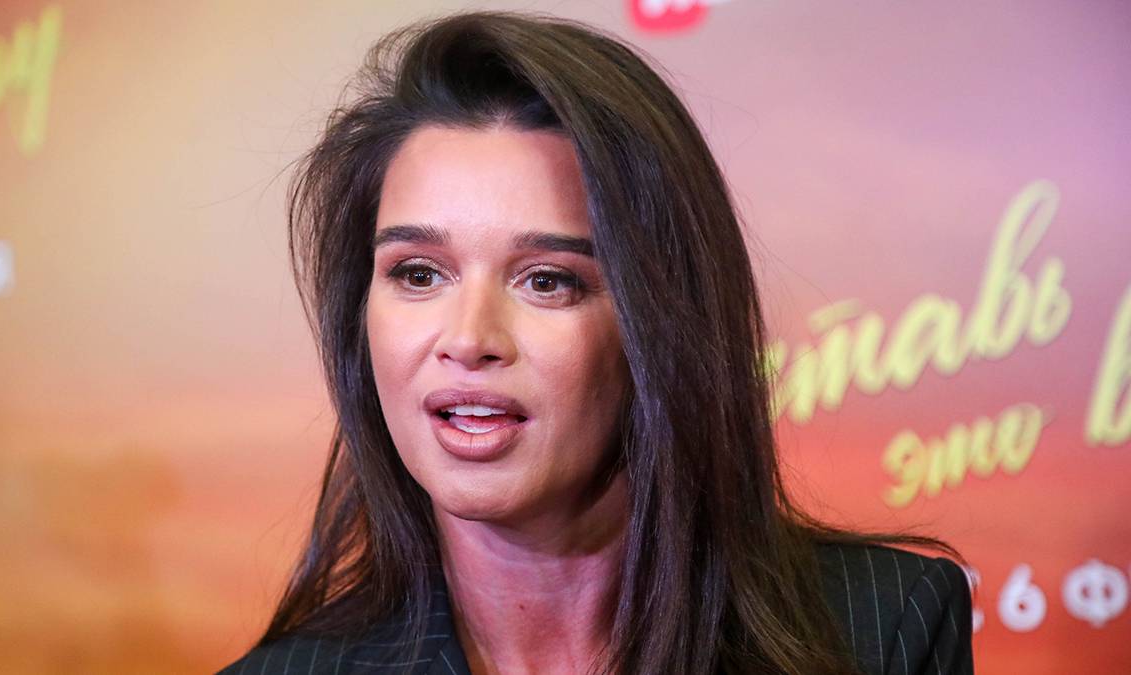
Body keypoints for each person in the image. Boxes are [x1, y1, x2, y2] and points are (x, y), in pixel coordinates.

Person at [220, 10, 973, 675]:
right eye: (419, 273)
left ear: (660, 323)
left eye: (547, 281)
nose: (470, 339)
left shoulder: (884, 630)